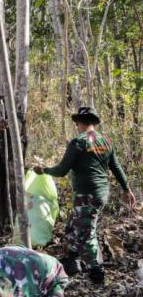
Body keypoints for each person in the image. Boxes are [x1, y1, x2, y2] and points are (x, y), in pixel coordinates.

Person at [34, 106, 135, 285]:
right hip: (101, 193)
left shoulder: (79, 142)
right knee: (73, 227)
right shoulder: (106, 141)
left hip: (87, 195)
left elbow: (62, 170)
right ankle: (70, 262)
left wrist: (43, 170)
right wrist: (126, 188)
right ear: (94, 123)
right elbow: (116, 167)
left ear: (79, 123)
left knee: (86, 233)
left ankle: (97, 273)